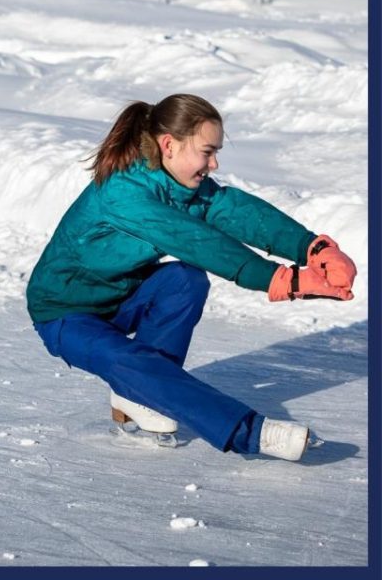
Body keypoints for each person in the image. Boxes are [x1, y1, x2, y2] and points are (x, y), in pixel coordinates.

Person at [26, 95, 356, 462]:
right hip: (64, 313)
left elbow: (235, 210)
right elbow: (195, 240)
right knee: (124, 358)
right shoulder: (126, 193)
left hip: (122, 296)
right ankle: (251, 432)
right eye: (207, 152)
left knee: (185, 280)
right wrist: (282, 280)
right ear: (169, 145)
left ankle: (139, 393)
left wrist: (313, 248)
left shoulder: (178, 184)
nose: (213, 164)